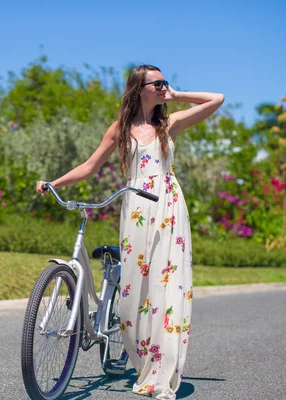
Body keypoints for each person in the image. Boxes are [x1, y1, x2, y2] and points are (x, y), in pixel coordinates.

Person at [35, 64, 224, 399]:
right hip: (135, 208)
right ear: (140, 88)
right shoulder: (120, 129)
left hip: (166, 206)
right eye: (159, 83)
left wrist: (177, 95)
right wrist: (54, 182)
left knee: (165, 286)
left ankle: (162, 369)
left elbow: (216, 99)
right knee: (134, 290)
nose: (164, 87)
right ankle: (139, 358)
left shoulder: (169, 123)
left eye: (166, 82)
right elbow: (90, 167)